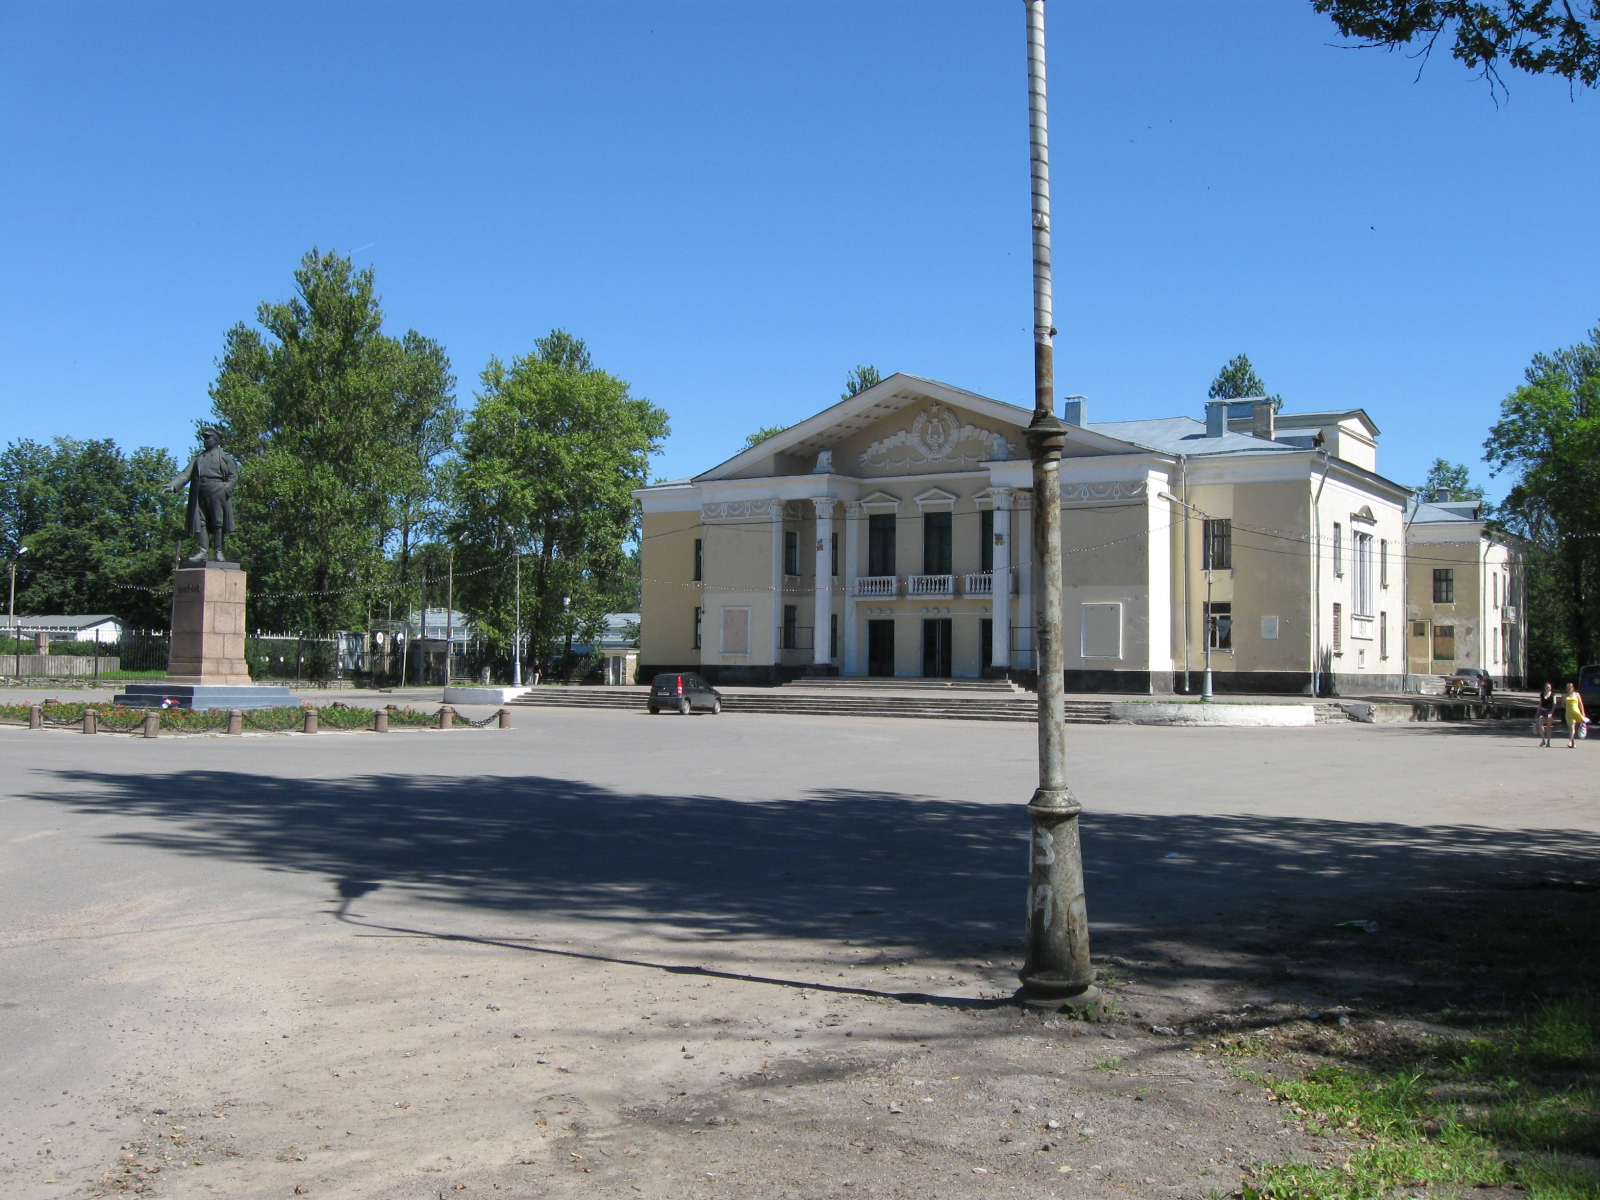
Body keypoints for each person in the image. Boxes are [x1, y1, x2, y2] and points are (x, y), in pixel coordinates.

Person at [1565, 682, 1588, 748]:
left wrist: (1583, 712)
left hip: (1576, 712)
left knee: (1572, 726)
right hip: (1568, 713)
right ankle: (1573, 743)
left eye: (1570, 687)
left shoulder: (1577, 694)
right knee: (1570, 728)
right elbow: (1563, 704)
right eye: (1568, 688)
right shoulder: (1565, 696)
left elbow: (1580, 704)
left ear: (1573, 688)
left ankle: (1570, 741)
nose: (1569, 689)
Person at [1536, 683, 1557, 747]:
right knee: (1540, 725)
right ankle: (1543, 740)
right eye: (1547, 687)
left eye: (1549, 687)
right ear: (1545, 687)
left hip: (1549, 711)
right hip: (1542, 711)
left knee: (1548, 727)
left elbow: (1554, 704)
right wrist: (1537, 712)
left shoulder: (1553, 695)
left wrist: (1551, 712)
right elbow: (1540, 704)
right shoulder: (1542, 694)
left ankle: (1548, 742)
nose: (1548, 688)